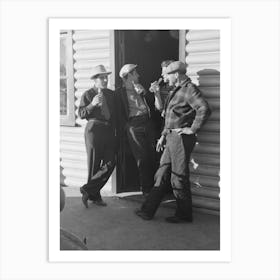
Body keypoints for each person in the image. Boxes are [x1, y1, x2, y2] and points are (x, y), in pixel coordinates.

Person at [135, 61, 212, 223]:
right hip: (171, 137)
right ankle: (147, 210)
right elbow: (170, 117)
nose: (164, 77)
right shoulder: (175, 90)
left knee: (178, 177)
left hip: (181, 139)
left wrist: (192, 129)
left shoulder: (189, 89)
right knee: (162, 174)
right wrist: (163, 134)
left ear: (176, 74)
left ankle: (184, 215)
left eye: (167, 74)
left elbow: (204, 109)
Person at [117, 64, 162, 196]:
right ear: (128, 76)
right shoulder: (120, 93)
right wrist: (126, 126)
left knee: (153, 154)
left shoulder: (141, 88)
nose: (138, 75)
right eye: (135, 73)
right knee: (141, 158)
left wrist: (145, 94)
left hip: (147, 122)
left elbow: (154, 107)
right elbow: (118, 112)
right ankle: (146, 189)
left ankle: (156, 188)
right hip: (134, 125)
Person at [78, 65, 117, 208]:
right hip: (93, 130)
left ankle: (87, 189)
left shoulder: (111, 94)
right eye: (102, 78)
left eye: (106, 77)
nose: (105, 80)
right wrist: (92, 105)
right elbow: (81, 114)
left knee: (110, 162)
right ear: (95, 80)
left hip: (107, 130)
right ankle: (95, 197)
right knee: (94, 164)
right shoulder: (88, 94)